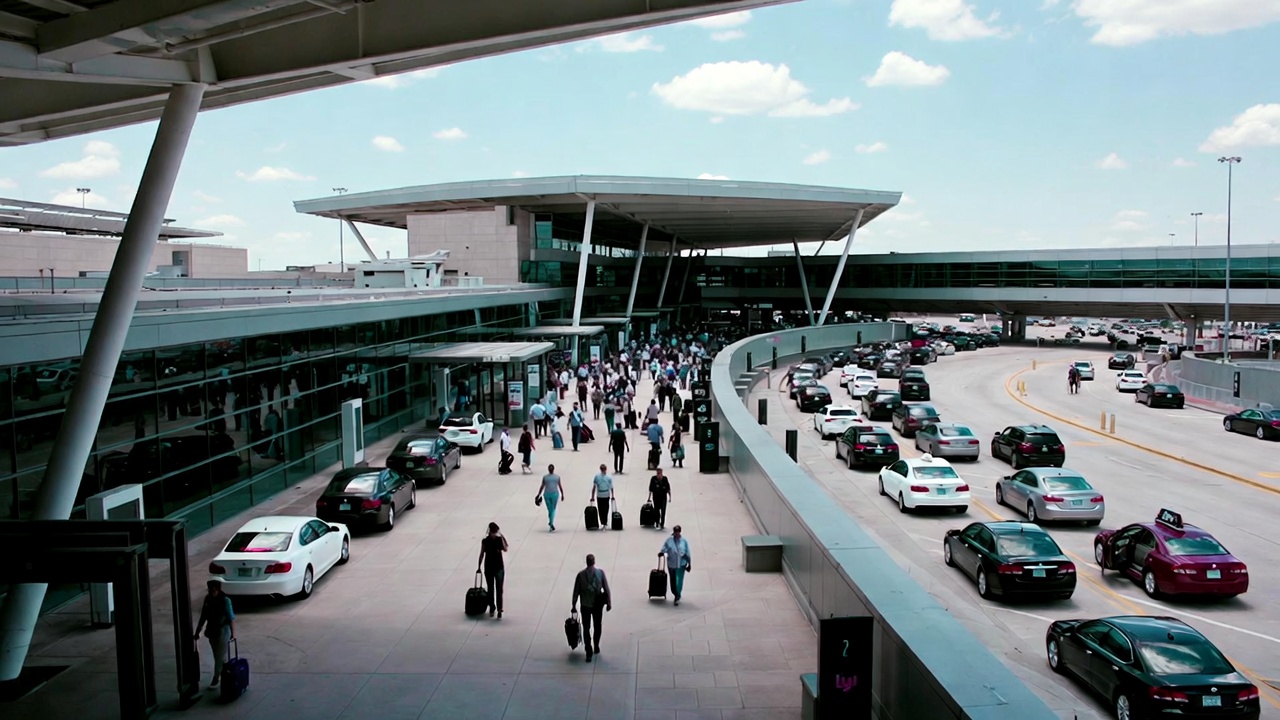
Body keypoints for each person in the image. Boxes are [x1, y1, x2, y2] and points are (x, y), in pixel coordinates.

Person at [193, 578, 235, 689]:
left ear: (218, 590)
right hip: (212, 631)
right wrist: (198, 631)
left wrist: (232, 633)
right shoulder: (208, 600)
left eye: (213, 590)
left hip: (222, 631)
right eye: (210, 590)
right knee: (218, 654)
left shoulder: (225, 601)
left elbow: (231, 618)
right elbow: (203, 616)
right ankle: (224, 673)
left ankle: (216, 677)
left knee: (219, 656)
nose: (211, 593)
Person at [571, 553, 612, 662]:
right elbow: (606, 589)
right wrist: (608, 603)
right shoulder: (600, 573)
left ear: (586, 562)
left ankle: (588, 651)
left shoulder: (580, 575)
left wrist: (573, 605)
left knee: (586, 628)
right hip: (597, 605)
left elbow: (576, 592)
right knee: (597, 626)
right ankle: (596, 646)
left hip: (585, 605)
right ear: (594, 562)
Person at [477, 522, 508, 618]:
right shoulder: (485, 541)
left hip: (496, 567)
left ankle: (498, 608)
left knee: (498, 589)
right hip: (493, 567)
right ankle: (492, 607)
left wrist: (502, 537)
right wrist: (479, 566)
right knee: (491, 588)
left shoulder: (499, 540)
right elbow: (482, 553)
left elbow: (505, 548)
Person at [659, 525, 691, 606]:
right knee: (672, 580)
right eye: (675, 532)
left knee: (679, 581)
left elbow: (687, 553)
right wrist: (662, 552)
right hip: (672, 564)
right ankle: (675, 592)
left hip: (681, 564)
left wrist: (689, 564)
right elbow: (664, 548)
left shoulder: (684, 541)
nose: (676, 534)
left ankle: (677, 595)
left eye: (678, 532)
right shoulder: (669, 541)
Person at [538, 464, 564, 531]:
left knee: (550, 509)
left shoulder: (545, 477)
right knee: (552, 509)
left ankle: (551, 522)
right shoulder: (556, 477)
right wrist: (562, 494)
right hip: (554, 494)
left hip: (548, 494)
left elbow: (542, 486)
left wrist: (539, 494)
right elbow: (560, 486)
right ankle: (551, 522)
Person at [590, 464, 614, 529]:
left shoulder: (597, 477)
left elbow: (594, 487)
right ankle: (604, 521)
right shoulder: (608, 478)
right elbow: (611, 487)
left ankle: (603, 521)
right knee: (605, 508)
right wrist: (612, 496)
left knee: (601, 509)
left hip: (600, 495)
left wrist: (592, 496)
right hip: (605, 494)